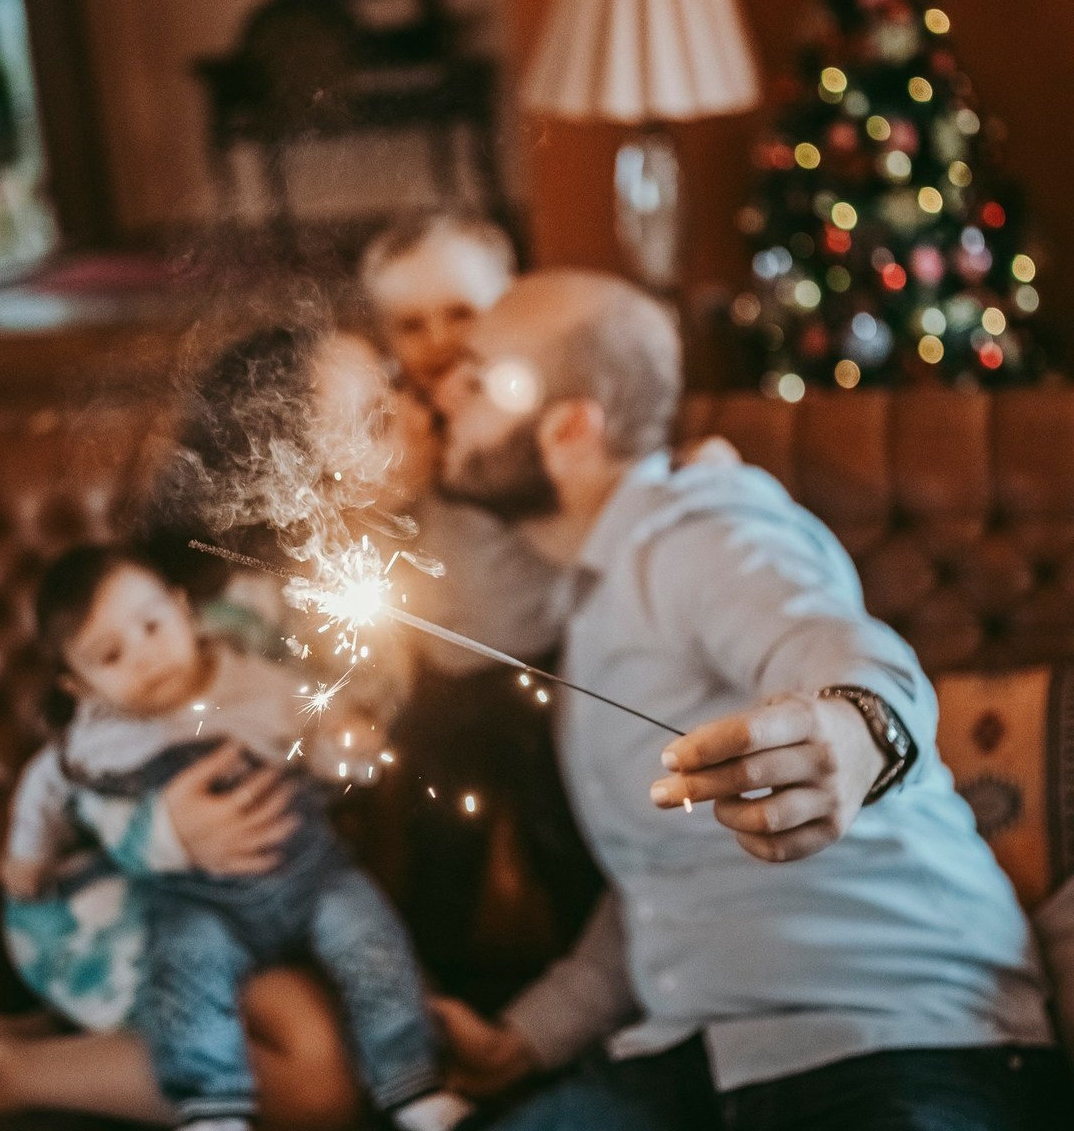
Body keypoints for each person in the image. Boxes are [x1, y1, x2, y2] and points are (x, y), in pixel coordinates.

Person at [427, 269, 1071, 1129]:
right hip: (695, 1056)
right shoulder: (592, 593)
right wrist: (529, 1039)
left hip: (906, 1034)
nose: (440, 394)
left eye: (479, 377)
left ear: (572, 427)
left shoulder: (704, 529)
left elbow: (833, 642)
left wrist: (852, 731)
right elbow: (665, 872)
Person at [2, 543, 470, 1131]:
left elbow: (322, 741)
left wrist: (350, 746)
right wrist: (26, 857)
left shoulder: (256, 681)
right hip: (195, 899)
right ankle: (212, 1107)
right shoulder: (95, 741)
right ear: (80, 685)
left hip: (311, 875)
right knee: (186, 975)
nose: (145, 656)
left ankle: (412, 1084)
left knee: (371, 942)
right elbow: (44, 790)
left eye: (151, 625)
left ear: (182, 609)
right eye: (111, 655)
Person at [359, 211, 517, 400]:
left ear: (513, 304)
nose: (438, 340)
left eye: (460, 315)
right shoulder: (386, 416)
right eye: (411, 326)